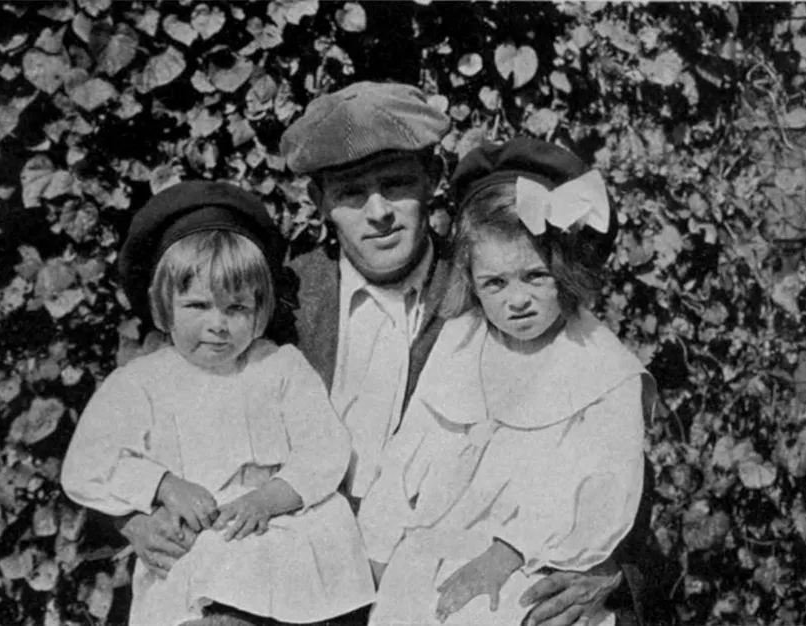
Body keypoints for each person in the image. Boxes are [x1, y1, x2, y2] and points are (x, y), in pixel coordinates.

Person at [114, 81, 660, 626]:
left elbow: (592, 436)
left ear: (432, 181)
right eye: (351, 193)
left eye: (397, 184)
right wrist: (135, 514)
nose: (379, 213)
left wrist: (600, 566)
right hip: (289, 561)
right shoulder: (280, 302)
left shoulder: (485, 286)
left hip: (426, 574)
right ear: (319, 202)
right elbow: (158, 404)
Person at [357, 137, 656, 626]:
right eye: (495, 283)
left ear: (567, 269)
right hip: (429, 554)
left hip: (535, 562)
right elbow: (407, 457)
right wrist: (378, 547)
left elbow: (603, 486)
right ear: (471, 280)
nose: (517, 300)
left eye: (535, 277)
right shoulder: (459, 343)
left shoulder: (602, 369)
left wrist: (509, 551)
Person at [61, 182, 374, 626]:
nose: (218, 326)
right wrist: (163, 484)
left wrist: (268, 500)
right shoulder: (142, 382)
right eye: (197, 306)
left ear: (260, 308)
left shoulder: (279, 366)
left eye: (236, 308)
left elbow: (324, 449)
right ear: (163, 309)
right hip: (199, 543)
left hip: (282, 528)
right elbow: (87, 463)